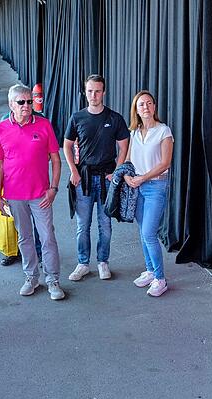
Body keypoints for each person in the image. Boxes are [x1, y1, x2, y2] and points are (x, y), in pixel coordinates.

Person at [0, 84, 64, 300]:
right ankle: (31, 277)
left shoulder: (43, 125)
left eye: (29, 101)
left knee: (47, 237)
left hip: (41, 195)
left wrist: (53, 188)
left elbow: (55, 159)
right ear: (11, 104)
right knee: (24, 238)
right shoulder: (1, 128)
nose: (26, 106)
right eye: (21, 102)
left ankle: (52, 280)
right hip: (15, 196)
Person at [63, 74, 130, 282]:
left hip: (106, 180)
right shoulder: (77, 117)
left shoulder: (115, 118)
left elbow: (124, 147)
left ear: (104, 92)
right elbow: (66, 145)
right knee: (83, 226)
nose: (94, 95)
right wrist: (73, 171)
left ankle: (103, 262)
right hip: (83, 179)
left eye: (98, 91)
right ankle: (83, 263)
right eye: (90, 91)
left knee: (105, 225)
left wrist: (116, 174)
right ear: (85, 92)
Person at [123, 91, 174, 297]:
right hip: (136, 187)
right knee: (143, 232)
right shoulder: (134, 132)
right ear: (136, 109)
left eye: (149, 103)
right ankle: (151, 271)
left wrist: (142, 178)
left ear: (154, 107)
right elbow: (127, 160)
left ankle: (161, 279)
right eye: (141, 104)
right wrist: (128, 178)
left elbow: (165, 163)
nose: (145, 107)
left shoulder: (164, 131)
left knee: (148, 233)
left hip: (155, 187)